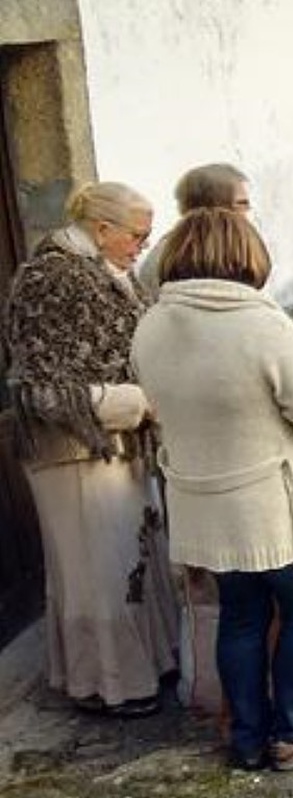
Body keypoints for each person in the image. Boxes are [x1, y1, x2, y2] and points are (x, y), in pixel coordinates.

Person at [133, 210, 293, 772]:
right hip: (274, 503)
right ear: (246, 258)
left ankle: (249, 737)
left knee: (240, 616)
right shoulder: (263, 323)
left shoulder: (152, 325)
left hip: (205, 500)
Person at [2, 182, 177, 718]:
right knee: (98, 571)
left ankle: (148, 662)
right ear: (101, 229)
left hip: (119, 442)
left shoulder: (109, 271)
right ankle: (110, 684)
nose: (140, 248)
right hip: (74, 451)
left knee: (134, 557)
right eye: (137, 236)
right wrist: (135, 399)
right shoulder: (49, 277)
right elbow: (40, 386)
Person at [137, 162, 254, 294]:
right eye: (241, 203)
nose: (248, 210)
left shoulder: (216, 247)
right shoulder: (179, 253)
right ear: (216, 206)